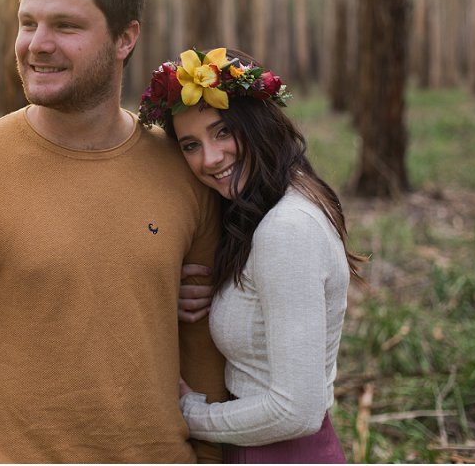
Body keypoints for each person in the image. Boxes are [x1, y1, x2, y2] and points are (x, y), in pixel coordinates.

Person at [0, 0, 227, 463]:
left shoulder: (184, 169)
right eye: (28, 22)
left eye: (66, 26)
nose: (38, 43)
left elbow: (204, 348)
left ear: (125, 38)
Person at [138, 47, 367, 463]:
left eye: (223, 131)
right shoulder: (268, 206)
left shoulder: (287, 228)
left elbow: (296, 411)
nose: (210, 158)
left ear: (256, 121)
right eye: (190, 145)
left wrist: (190, 415)